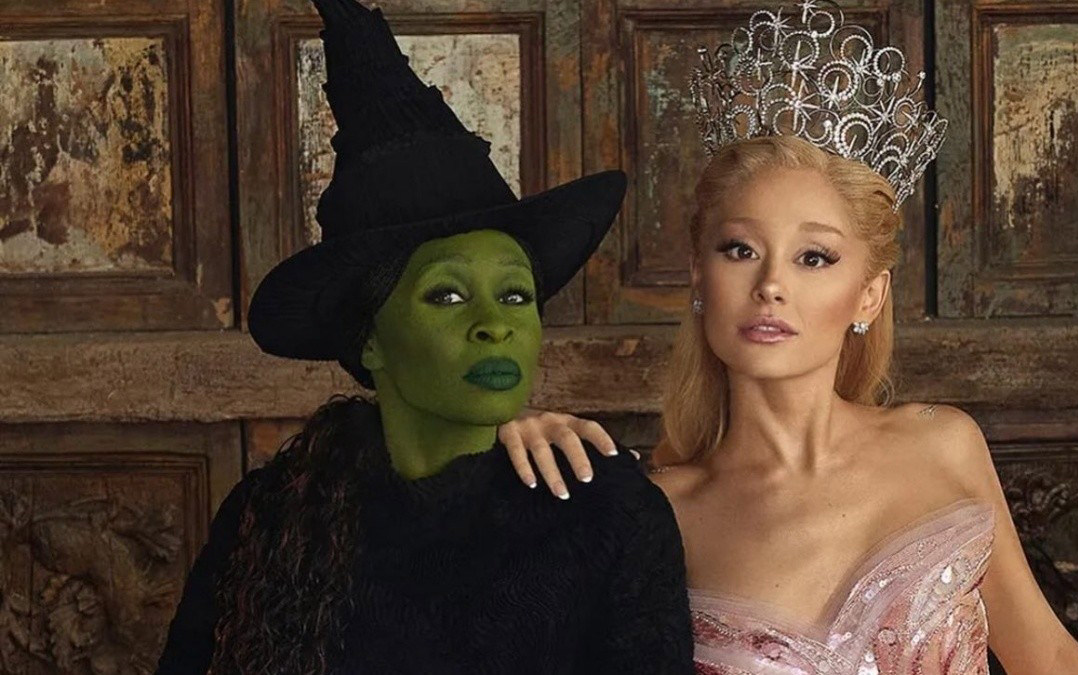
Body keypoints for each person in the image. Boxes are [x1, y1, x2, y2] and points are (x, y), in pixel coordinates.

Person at [495, 3, 1078, 674]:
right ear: (699, 274)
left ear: (869, 294)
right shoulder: (659, 513)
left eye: (813, 257)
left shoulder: (943, 445)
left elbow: (1051, 657)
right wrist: (491, 452)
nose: (771, 285)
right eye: (740, 250)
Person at [154, 0, 692, 672]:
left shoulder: (607, 512)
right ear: (370, 340)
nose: (494, 324)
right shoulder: (271, 515)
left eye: (516, 295)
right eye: (447, 295)